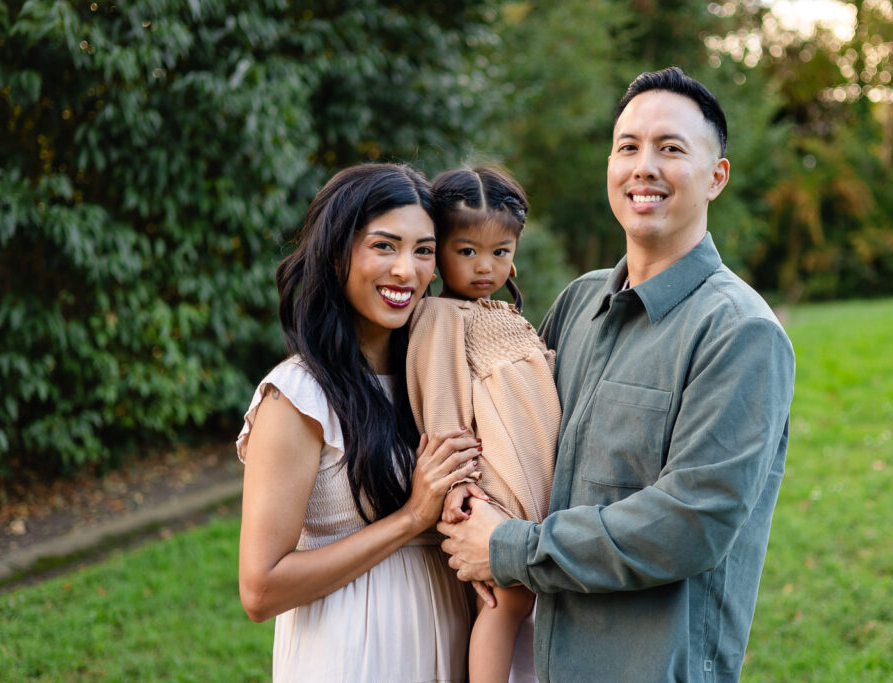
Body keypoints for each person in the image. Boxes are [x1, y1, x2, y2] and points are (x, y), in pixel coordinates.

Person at [437, 66, 796, 682]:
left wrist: (510, 548)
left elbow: (690, 524)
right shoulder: (578, 304)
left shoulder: (740, 332)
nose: (643, 166)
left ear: (717, 177)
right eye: (628, 146)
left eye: (671, 148)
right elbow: (516, 441)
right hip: (536, 657)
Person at [236, 163, 485, 682]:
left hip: (449, 636)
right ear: (336, 252)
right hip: (352, 652)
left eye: (422, 251)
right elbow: (260, 590)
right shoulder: (299, 397)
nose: (406, 271)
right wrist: (411, 517)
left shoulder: (437, 382)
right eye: (384, 246)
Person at [406, 166, 559, 683]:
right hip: (494, 483)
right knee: (505, 600)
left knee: (530, 599)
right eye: (466, 251)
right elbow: (442, 405)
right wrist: (462, 488)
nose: (484, 266)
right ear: (437, 253)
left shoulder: (506, 315)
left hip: (536, 476)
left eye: (500, 252)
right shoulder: (440, 317)